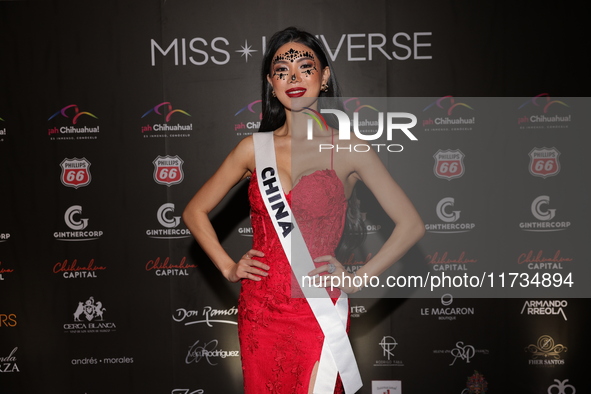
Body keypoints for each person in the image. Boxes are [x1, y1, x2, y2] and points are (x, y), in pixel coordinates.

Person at [183, 27, 424, 394]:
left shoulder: (349, 148)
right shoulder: (253, 148)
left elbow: (411, 225)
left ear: (324, 76)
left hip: (317, 313)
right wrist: (229, 266)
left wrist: (358, 279)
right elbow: (194, 211)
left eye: (305, 67)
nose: (293, 78)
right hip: (260, 311)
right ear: (271, 82)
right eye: (282, 70)